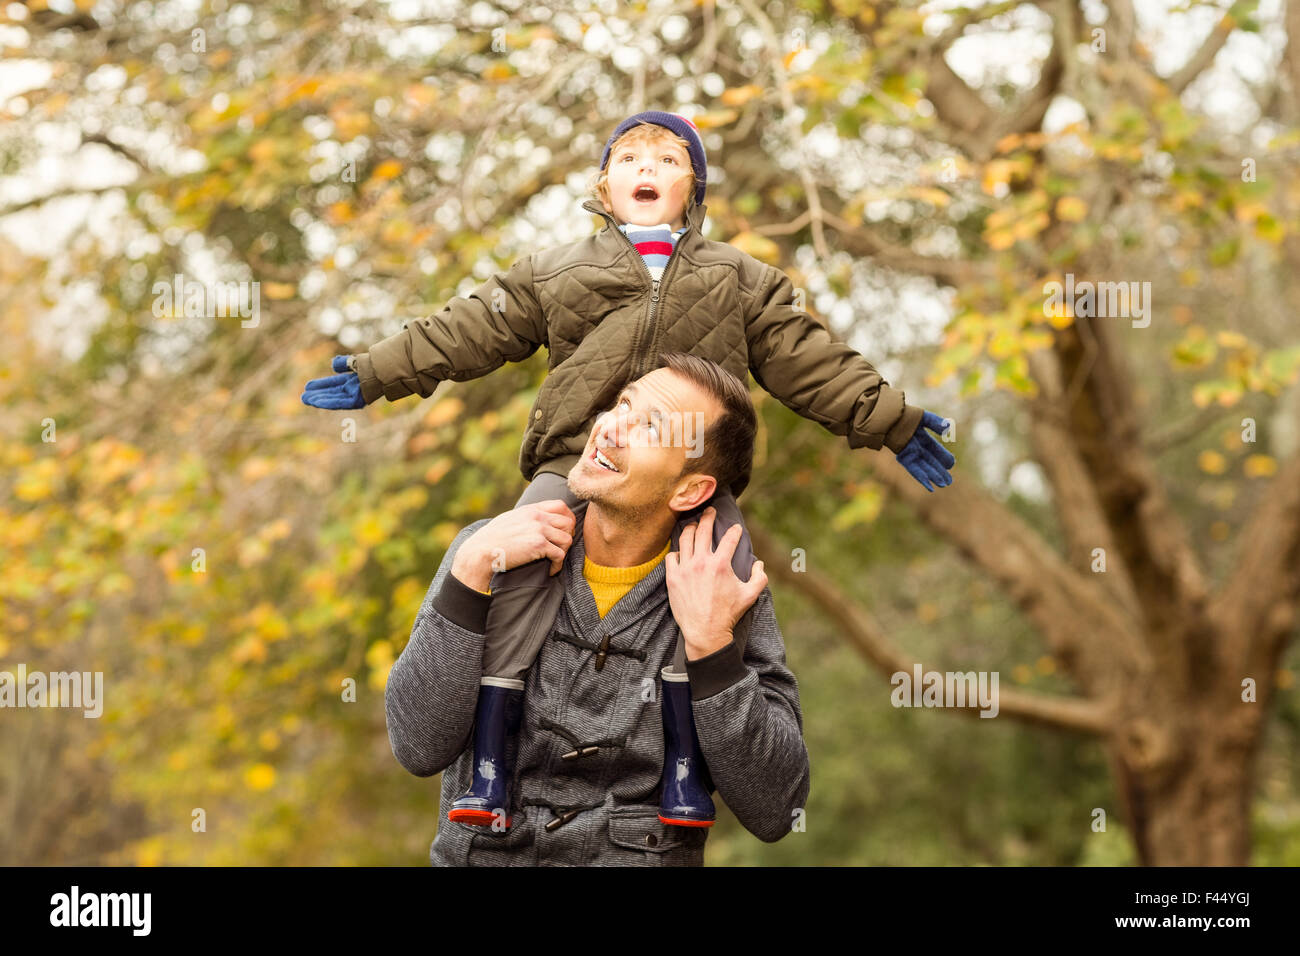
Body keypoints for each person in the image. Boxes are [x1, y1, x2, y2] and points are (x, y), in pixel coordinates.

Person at [304, 109, 956, 828]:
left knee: (719, 582)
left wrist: (891, 421)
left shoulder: (738, 279)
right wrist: (374, 374)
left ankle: (684, 765)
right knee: (521, 582)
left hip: (694, 477)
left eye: (668, 160)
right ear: (604, 187)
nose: (647, 169)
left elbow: (810, 361)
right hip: (571, 462)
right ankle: (489, 756)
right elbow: (467, 329)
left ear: (693, 190)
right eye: (630, 159)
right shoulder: (558, 272)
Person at [384, 355, 809, 865]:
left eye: (650, 426)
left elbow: (777, 810)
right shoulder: (485, 552)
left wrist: (711, 646)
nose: (610, 427)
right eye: (623, 403)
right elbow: (417, 747)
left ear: (690, 490)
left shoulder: (729, 592)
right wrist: (469, 575)